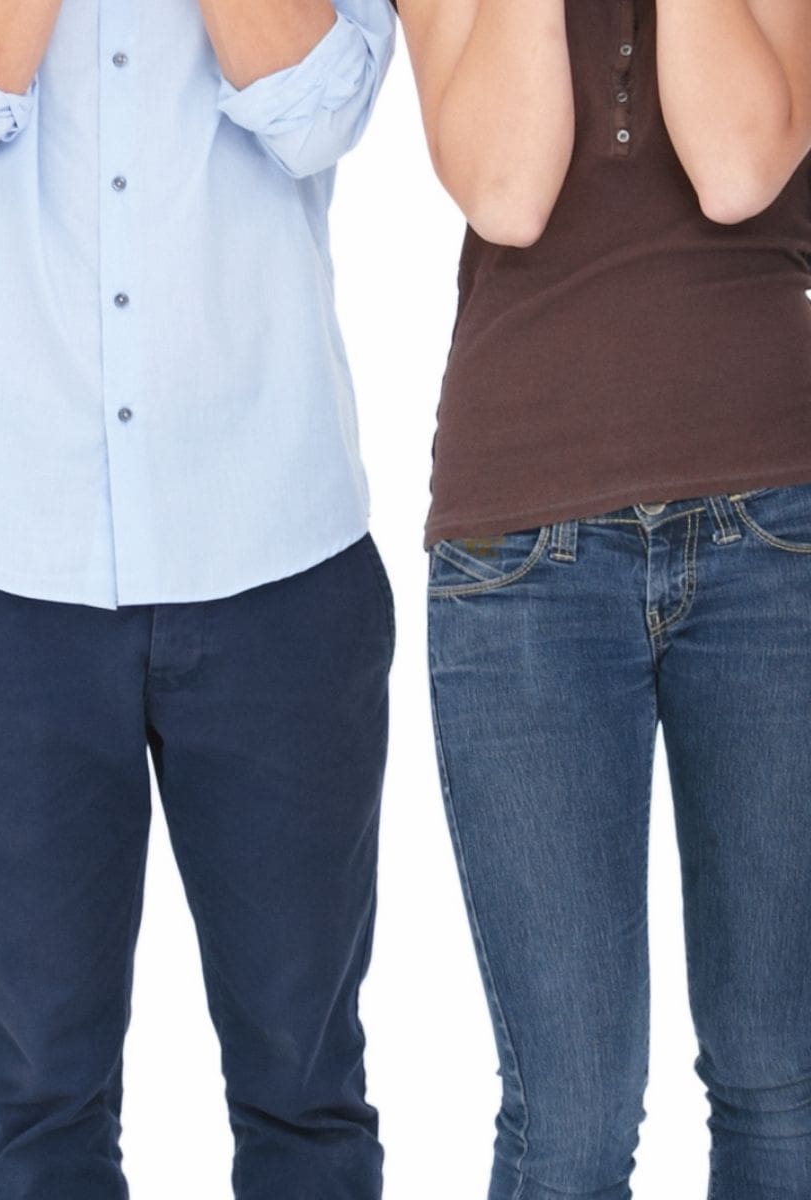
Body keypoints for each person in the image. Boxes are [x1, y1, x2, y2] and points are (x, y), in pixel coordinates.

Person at [0, 1, 398, 1196]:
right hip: (12, 576)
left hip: (275, 555)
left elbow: (318, 113)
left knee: (304, 1087)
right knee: (43, 1098)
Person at [397, 0, 811, 1195]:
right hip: (524, 559)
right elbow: (507, 191)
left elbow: (739, 166)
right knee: (571, 1111)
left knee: (780, 1079)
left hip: (771, 534)